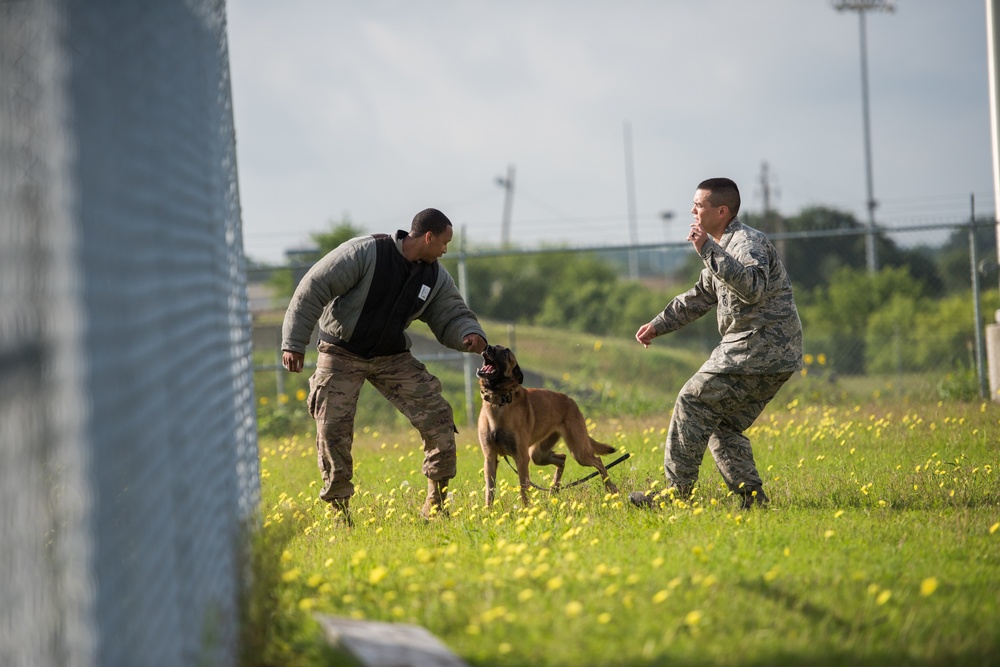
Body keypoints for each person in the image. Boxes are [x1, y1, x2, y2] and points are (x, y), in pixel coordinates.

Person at [281, 208, 488, 524]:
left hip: (390, 357)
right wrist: (294, 343)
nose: (446, 250)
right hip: (341, 353)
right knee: (332, 429)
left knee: (438, 416)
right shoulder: (365, 253)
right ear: (428, 237)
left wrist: (469, 334)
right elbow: (313, 287)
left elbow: (452, 315)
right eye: (444, 242)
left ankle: (436, 502)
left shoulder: (434, 276)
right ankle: (340, 515)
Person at [631, 178, 802, 509]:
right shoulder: (723, 246)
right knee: (722, 425)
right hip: (767, 354)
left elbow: (752, 287)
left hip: (757, 349)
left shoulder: (746, 243)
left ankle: (675, 496)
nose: (693, 211)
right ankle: (753, 499)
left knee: (691, 401)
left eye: (699, 205)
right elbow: (701, 296)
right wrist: (657, 325)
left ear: (722, 211)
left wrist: (706, 248)